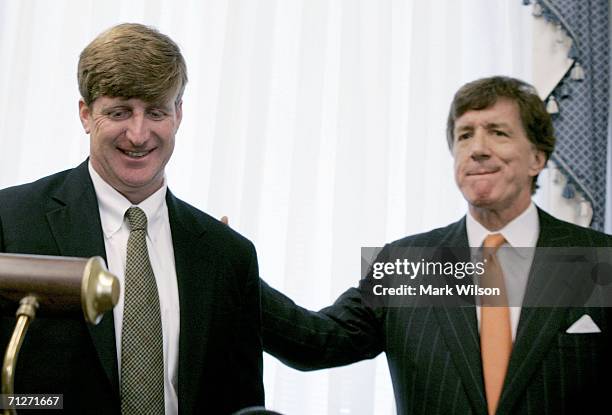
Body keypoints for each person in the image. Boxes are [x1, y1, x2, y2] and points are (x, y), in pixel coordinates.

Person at [261, 76, 612, 414]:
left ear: (537, 158)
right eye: (464, 136)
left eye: (498, 133)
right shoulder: (407, 265)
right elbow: (316, 342)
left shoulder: (598, 258)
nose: (477, 150)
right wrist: (228, 261)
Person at [0, 23, 263, 414]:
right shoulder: (11, 221)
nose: (138, 135)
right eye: (120, 112)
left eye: (155, 111)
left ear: (178, 115)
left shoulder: (229, 255)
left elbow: (240, 404)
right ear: (86, 114)